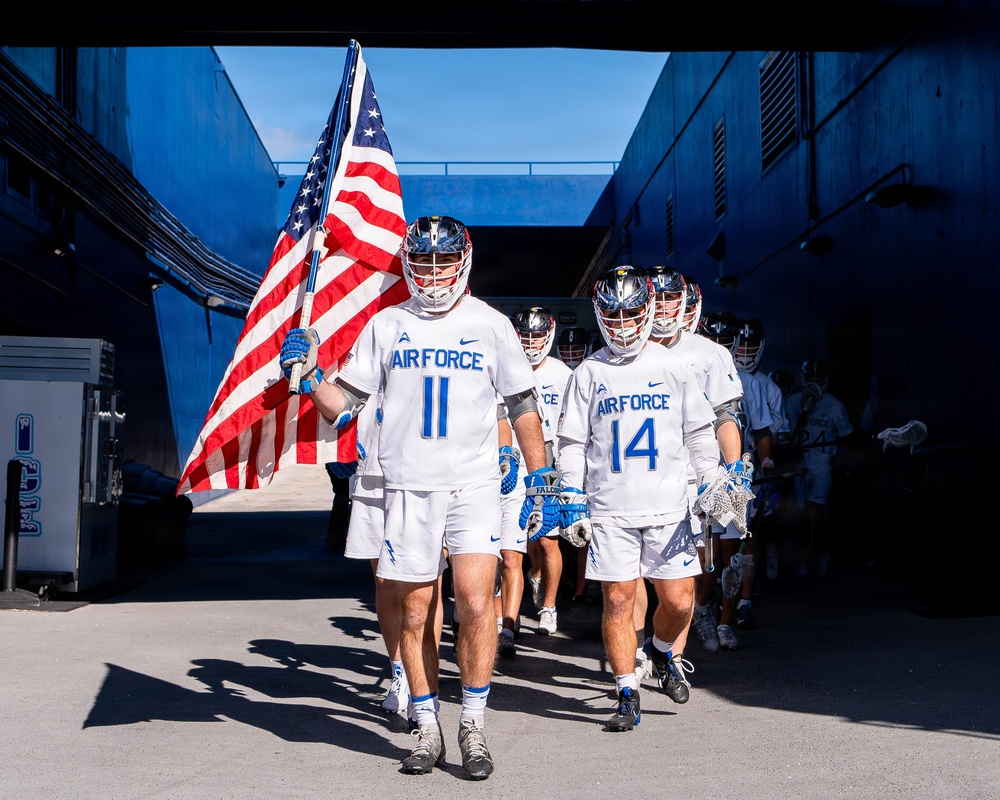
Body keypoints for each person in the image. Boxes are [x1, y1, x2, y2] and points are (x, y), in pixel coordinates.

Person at [279, 215, 557, 780]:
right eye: (424, 263)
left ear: (464, 261)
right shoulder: (386, 325)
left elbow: (523, 404)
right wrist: (310, 377)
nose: (433, 274)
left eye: (443, 262)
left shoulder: (490, 324)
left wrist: (544, 478)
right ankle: (427, 725)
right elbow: (345, 405)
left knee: (477, 603)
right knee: (414, 610)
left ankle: (473, 723)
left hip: (474, 483)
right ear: (409, 265)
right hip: (407, 486)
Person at [556, 265, 727, 733]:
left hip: (670, 506)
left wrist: (711, 481)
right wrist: (572, 495)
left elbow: (698, 431)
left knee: (679, 601)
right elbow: (571, 441)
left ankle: (660, 648)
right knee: (617, 601)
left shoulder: (674, 366)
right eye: (614, 314)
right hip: (610, 508)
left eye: (633, 312)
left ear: (647, 310)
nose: (625, 323)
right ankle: (626, 690)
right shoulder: (589, 371)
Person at [643, 269, 743, 669]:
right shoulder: (624, 350)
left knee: (694, 563)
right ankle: (640, 650)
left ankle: (678, 643)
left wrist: (734, 471)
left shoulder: (710, 354)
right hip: (639, 475)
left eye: (672, 298)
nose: (665, 306)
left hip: (692, 475)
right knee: (637, 571)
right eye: (658, 298)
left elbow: (725, 415)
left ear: (685, 302)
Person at [699, 310, 773, 649]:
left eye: (725, 341)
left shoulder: (751, 384)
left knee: (732, 554)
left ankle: (725, 622)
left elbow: (760, 431)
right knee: (701, 555)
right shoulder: (685, 376)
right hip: (696, 477)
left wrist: (767, 467)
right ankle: (700, 609)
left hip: (735, 479)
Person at [510, 306, 573, 636]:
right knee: (512, 541)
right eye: (526, 336)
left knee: (547, 539)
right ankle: (508, 611)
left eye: (538, 335)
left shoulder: (562, 374)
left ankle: (548, 606)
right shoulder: (506, 367)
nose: (532, 342)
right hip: (512, 462)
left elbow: (572, 425)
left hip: (547, 462)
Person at [784, 358, 854, 578]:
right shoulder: (792, 403)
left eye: (818, 378)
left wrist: (841, 459)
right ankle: (818, 551)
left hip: (822, 467)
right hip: (799, 467)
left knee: (815, 512)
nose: (814, 382)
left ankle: (807, 560)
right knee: (803, 514)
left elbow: (847, 436)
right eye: (810, 377)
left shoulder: (834, 405)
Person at [734, 317, 787, 583]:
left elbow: (775, 439)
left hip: (753, 472)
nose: (744, 351)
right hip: (723, 472)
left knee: (751, 534)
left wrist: (763, 456)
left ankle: (744, 596)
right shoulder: (718, 378)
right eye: (740, 345)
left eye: (750, 345)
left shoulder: (769, 388)